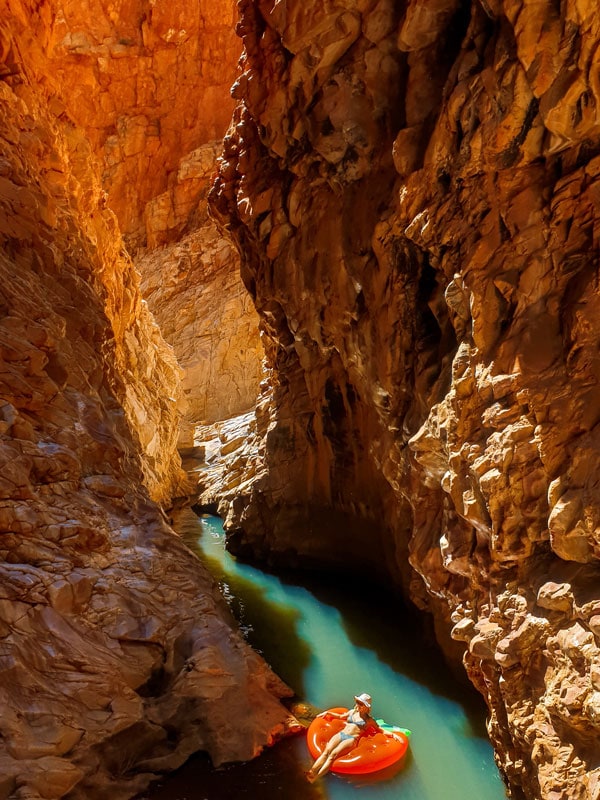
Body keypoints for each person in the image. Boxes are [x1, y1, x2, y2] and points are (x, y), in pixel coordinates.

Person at [306, 692, 402, 782]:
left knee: (332, 756)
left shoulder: (369, 720)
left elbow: (380, 729)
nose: (358, 705)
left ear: (366, 707)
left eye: (361, 704)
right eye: (357, 702)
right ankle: (311, 772)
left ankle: (315, 778)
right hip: (341, 734)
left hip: (351, 739)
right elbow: (340, 716)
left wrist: (393, 734)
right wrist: (328, 713)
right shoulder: (352, 712)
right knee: (326, 752)